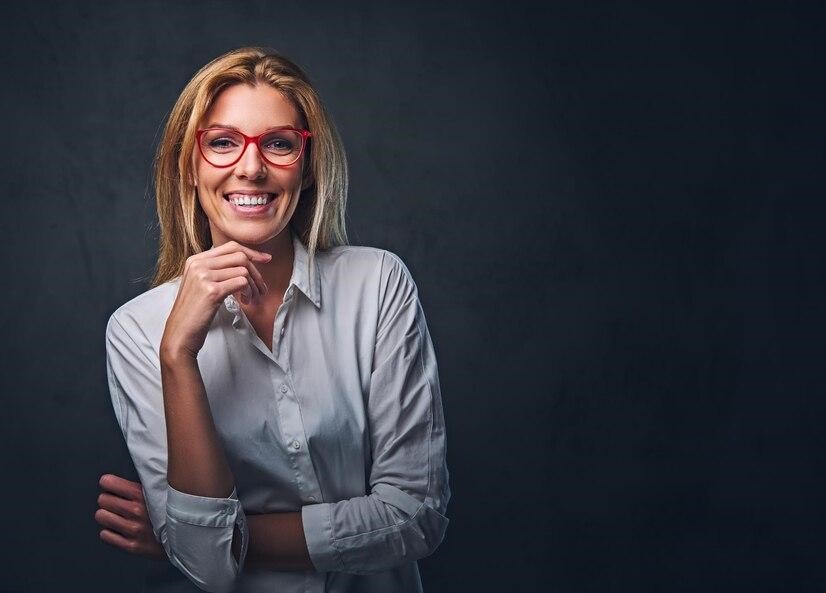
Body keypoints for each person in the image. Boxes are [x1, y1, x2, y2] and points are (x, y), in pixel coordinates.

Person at [94, 46, 451, 593]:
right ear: (189, 166)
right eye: (222, 143)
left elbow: (415, 516)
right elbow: (208, 571)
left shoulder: (378, 284)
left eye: (279, 143)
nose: (252, 166)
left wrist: (201, 537)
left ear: (306, 168)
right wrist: (178, 357)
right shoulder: (139, 331)